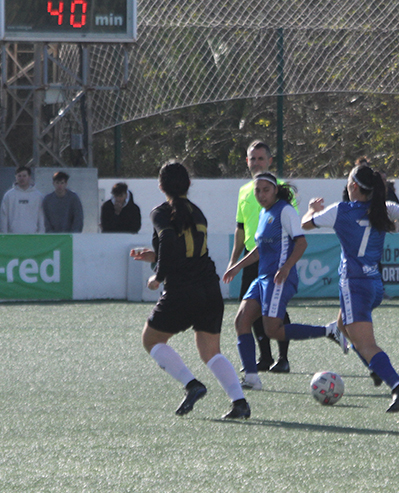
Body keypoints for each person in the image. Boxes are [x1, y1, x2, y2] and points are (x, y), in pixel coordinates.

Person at [302, 164, 399, 412]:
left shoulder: (339, 211)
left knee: (366, 345)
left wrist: (312, 210)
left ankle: (396, 383)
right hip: (375, 284)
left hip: (354, 286)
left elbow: (305, 225)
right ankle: (374, 368)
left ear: (353, 186)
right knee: (343, 326)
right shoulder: (384, 208)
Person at [130, 161, 250, 419]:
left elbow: (169, 239)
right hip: (209, 287)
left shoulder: (160, 212)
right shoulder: (198, 212)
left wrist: (158, 275)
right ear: (189, 184)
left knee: (151, 340)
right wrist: (154, 256)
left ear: (160, 185)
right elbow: (184, 250)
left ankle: (192, 384)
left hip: (183, 289)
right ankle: (240, 402)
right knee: (211, 352)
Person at [222, 173, 347, 391]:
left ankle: (329, 331)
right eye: (257, 190)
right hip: (262, 279)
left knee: (273, 330)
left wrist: (286, 267)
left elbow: (301, 243)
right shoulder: (264, 212)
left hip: (278, 279)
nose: (261, 195)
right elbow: (260, 249)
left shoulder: (285, 211)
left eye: (265, 190)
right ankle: (251, 377)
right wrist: (237, 266)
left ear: (275, 190)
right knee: (241, 321)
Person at [229, 141, 295, 374]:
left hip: (274, 257)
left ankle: (283, 357)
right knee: (250, 308)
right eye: (252, 158)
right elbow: (240, 228)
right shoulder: (244, 191)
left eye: (260, 158)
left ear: (269, 161)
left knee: (276, 307)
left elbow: (292, 225)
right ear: (247, 162)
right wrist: (234, 261)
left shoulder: (282, 188)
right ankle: (264, 357)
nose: (256, 162)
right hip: (250, 256)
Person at [0, 165, 45, 234]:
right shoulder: (9, 196)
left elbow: (41, 217)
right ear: (16, 177)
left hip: (32, 237)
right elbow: (3, 217)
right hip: (13, 237)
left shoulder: (38, 196)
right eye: (19, 176)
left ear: (29, 177)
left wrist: (41, 235)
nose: (21, 178)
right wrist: (4, 236)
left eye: (24, 176)